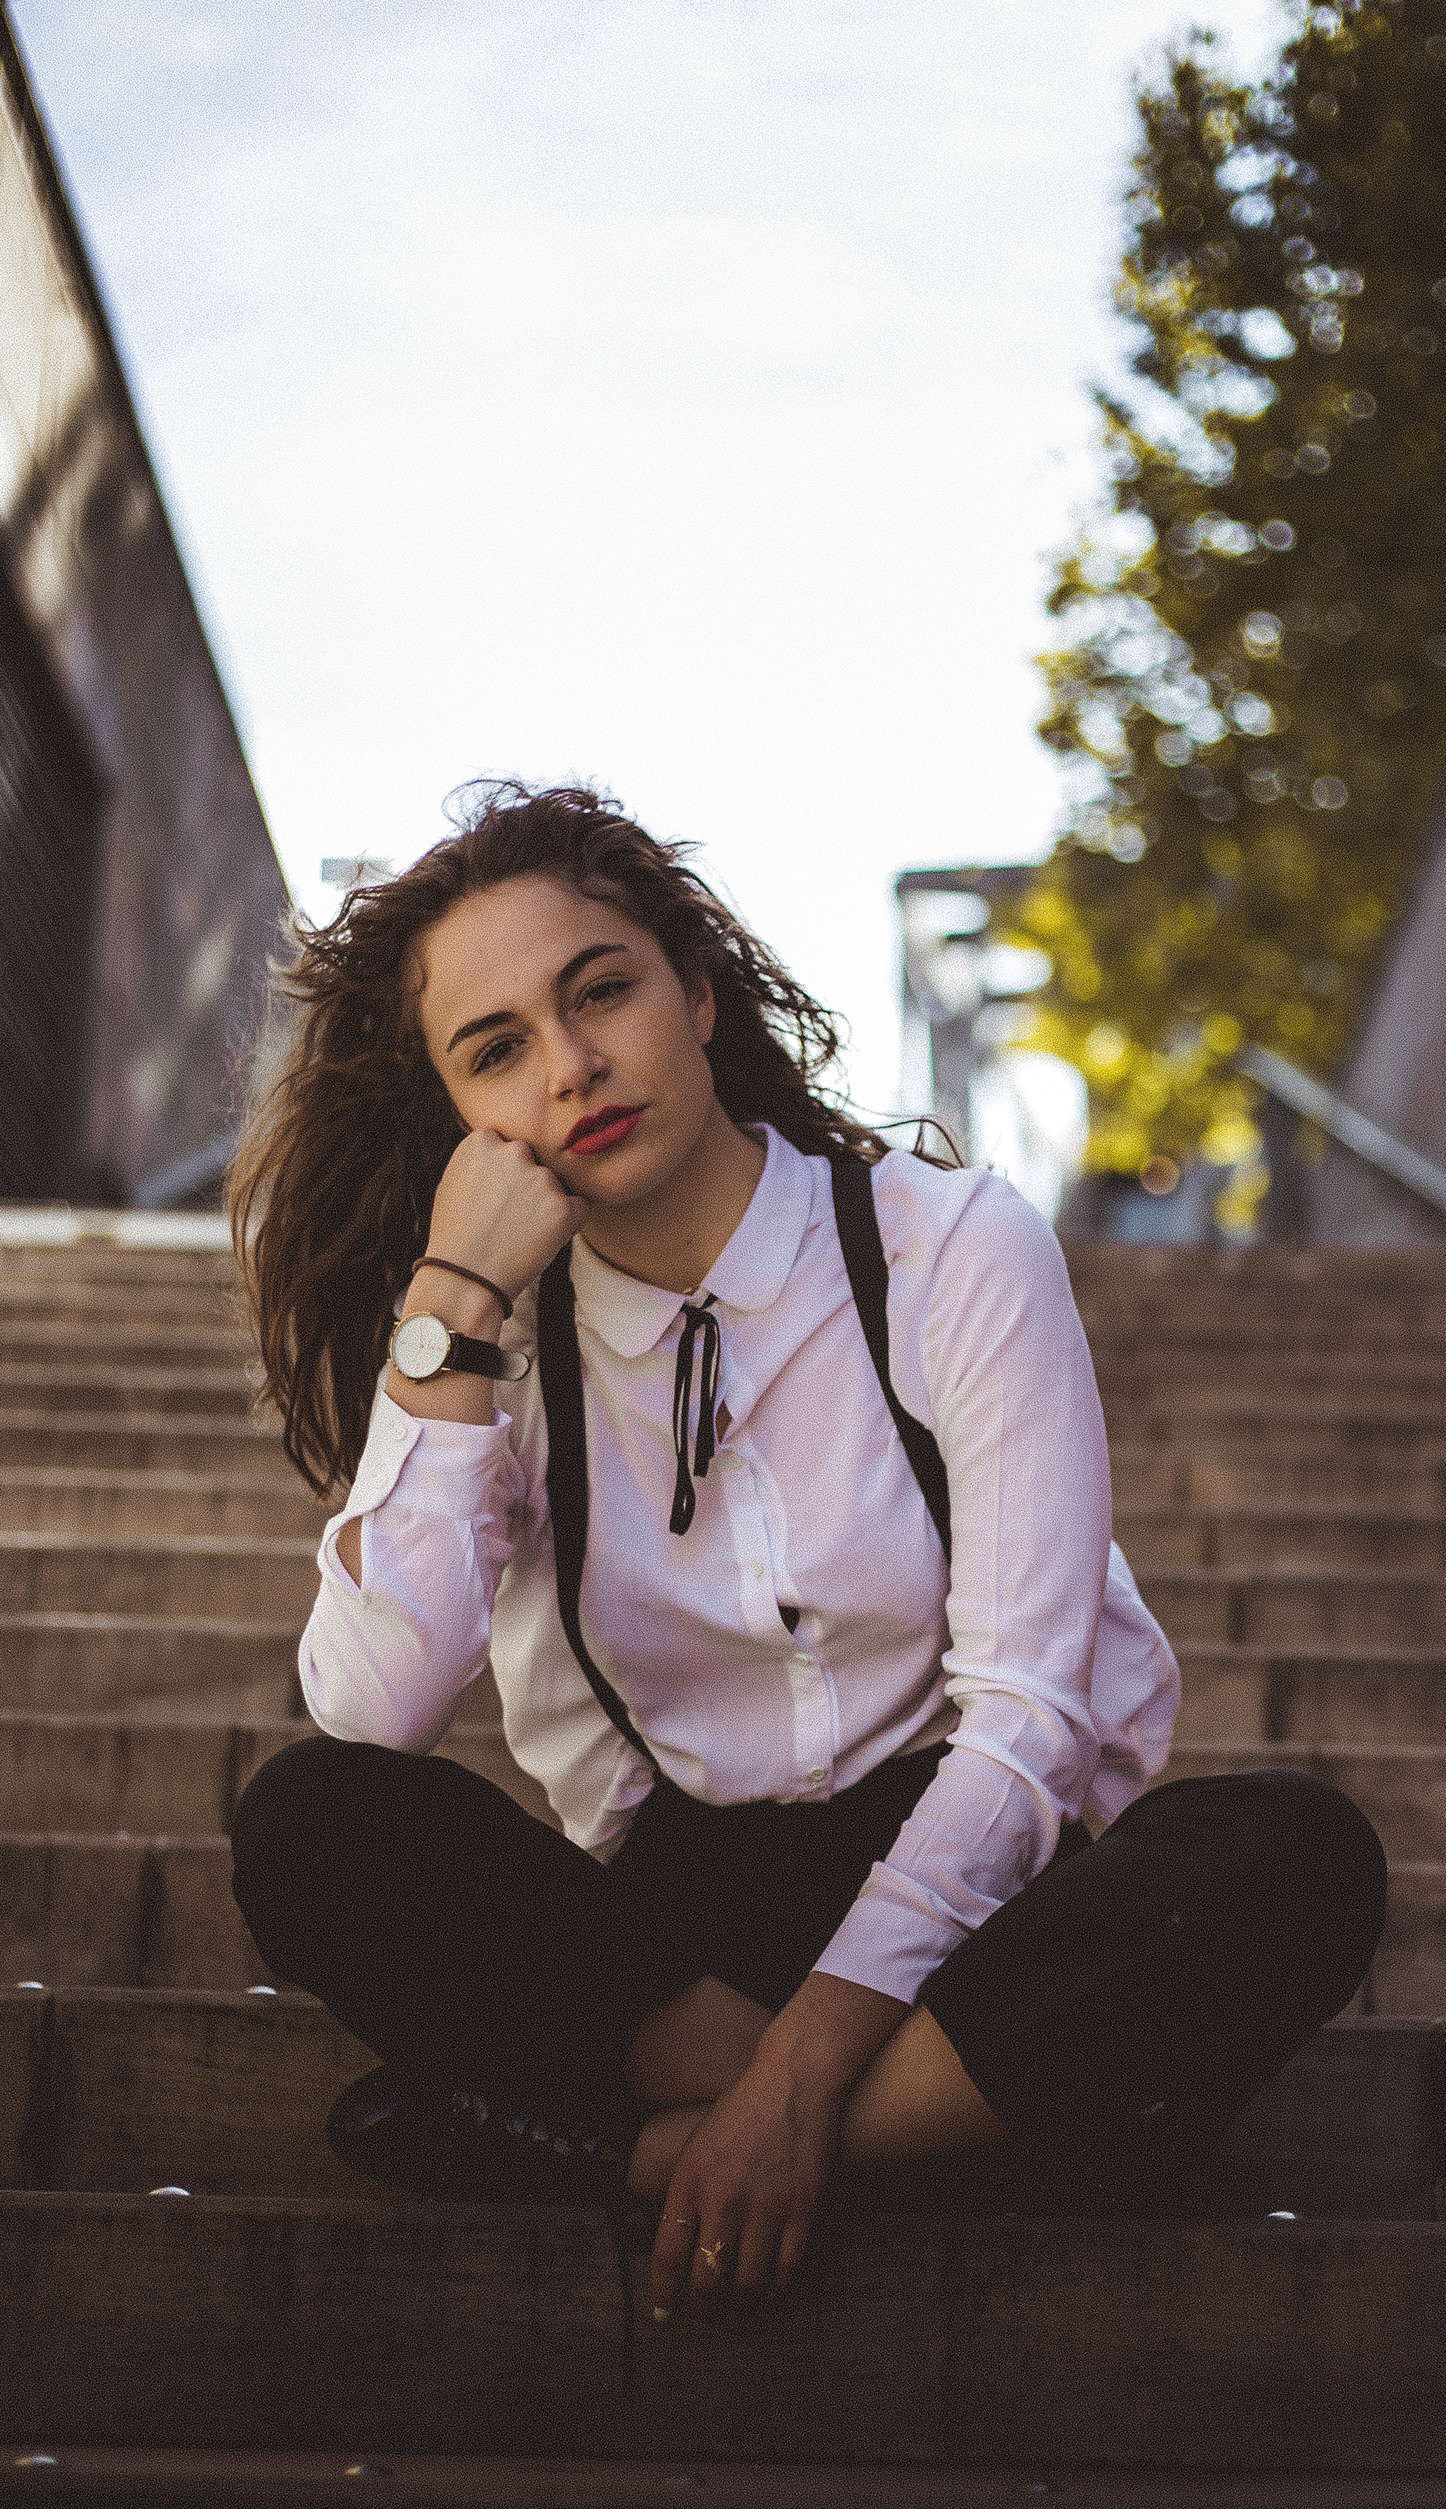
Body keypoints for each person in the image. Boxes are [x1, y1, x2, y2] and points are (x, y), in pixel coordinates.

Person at [227, 782, 1386, 2330]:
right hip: (691, 1939)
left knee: (1292, 1858)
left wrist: (794, 2081)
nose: (570, 1068)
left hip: (981, 1889)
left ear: (697, 993)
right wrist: (451, 1302)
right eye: (495, 1051)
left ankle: (644, 2160)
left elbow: (1032, 1720)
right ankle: (961, 2126)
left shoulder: (946, 1247)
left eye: (602, 992)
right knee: (310, 1822)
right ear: (458, 1118)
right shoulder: (490, 1348)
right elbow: (370, 1712)